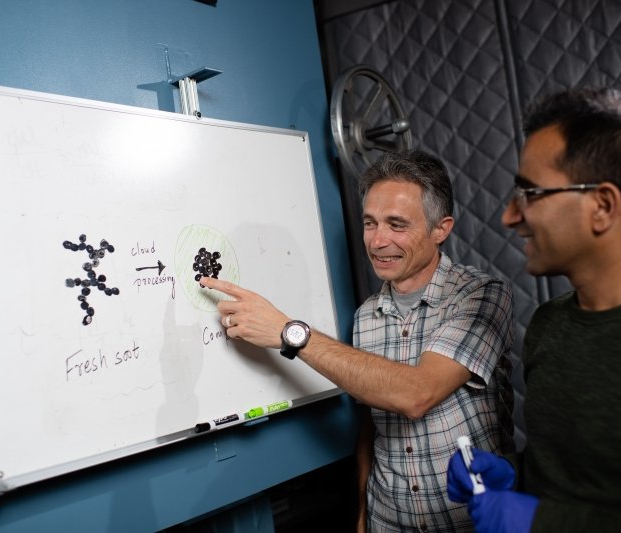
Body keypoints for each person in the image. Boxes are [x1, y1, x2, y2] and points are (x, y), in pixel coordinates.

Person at [200, 149, 515, 532]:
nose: (378, 241)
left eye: (397, 224)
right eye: (370, 223)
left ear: (441, 228)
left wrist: (289, 333)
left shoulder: (481, 295)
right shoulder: (366, 316)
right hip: (388, 520)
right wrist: (365, 508)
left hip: (470, 523)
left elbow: (416, 394)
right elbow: (373, 418)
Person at [446, 87, 621, 532]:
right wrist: (515, 473)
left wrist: (541, 524)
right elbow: (586, 480)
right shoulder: (549, 327)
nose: (510, 217)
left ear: (602, 206)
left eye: (529, 193)